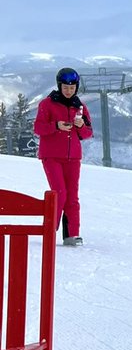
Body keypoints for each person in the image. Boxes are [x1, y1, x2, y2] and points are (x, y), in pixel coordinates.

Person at [33, 68, 93, 245]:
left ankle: (72, 235)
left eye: (72, 87)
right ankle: (50, 230)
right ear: (60, 86)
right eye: (66, 87)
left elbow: (88, 133)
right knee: (59, 193)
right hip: (51, 156)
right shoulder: (47, 104)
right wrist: (56, 126)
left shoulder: (80, 107)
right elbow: (38, 128)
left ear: (76, 87)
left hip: (73, 158)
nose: (69, 90)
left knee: (72, 196)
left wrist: (81, 125)